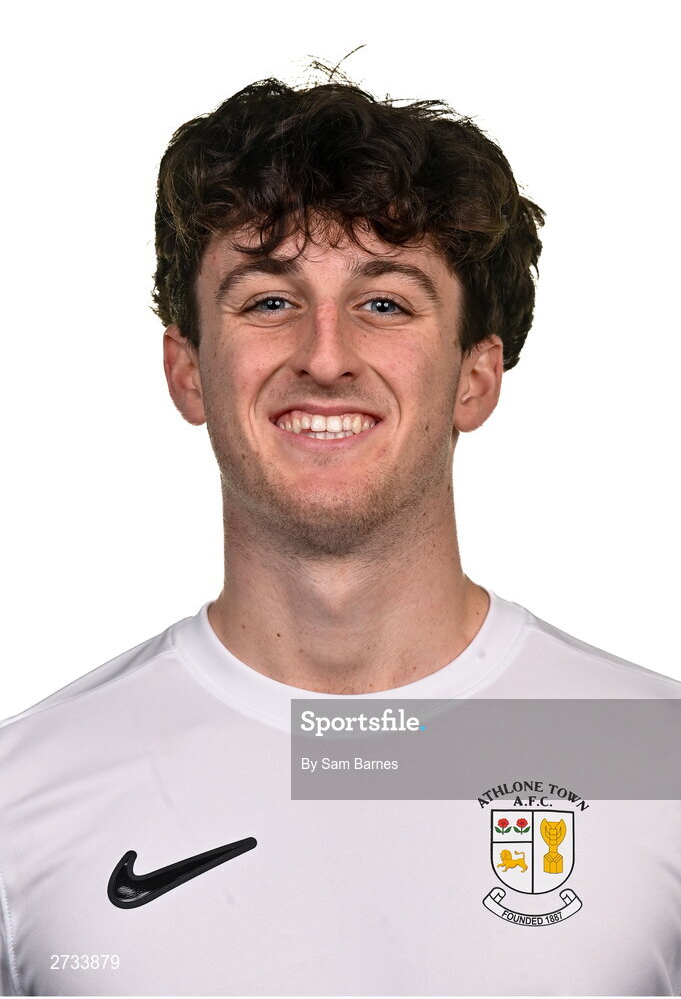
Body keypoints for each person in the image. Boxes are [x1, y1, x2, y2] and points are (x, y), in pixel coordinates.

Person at [1, 73, 680, 998]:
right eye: (268, 302)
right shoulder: (23, 794)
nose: (325, 356)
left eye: (385, 303)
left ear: (475, 377)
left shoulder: (655, 760)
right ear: (187, 370)